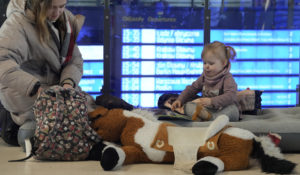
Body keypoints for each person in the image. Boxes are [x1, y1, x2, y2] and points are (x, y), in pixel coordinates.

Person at [0, 0, 85, 149]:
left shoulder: (67, 21)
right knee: (46, 135)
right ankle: (21, 125)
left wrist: (68, 84)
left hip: (56, 93)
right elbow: (2, 61)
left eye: (62, 6)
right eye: (52, 7)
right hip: (26, 94)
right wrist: (36, 88)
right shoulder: (17, 24)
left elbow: (74, 61)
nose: (57, 13)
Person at [169, 41, 240, 121]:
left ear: (223, 63)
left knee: (233, 110)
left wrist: (211, 101)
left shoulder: (227, 78)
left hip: (222, 109)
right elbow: (192, 89)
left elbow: (230, 96)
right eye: (204, 63)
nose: (206, 66)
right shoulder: (204, 77)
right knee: (189, 105)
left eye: (211, 63)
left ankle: (209, 118)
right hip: (207, 110)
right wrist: (180, 99)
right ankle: (206, 117)